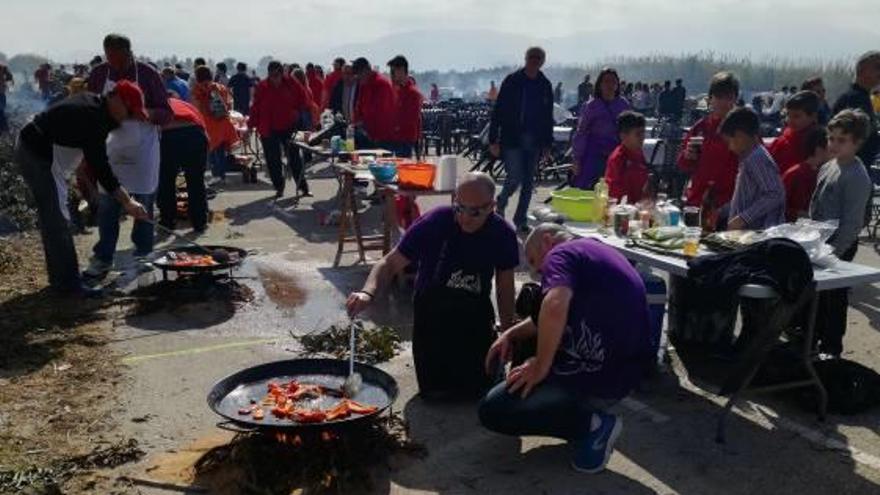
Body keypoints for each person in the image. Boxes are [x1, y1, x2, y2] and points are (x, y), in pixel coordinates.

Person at [479, 223, 652, 474]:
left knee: (493, 411)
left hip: (598, 373)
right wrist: (510, 333)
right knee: (531, 326)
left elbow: (555, 303)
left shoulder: (563, 253)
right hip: (622, 374)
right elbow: (544, 317)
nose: (539, 272)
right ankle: (576, 415)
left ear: (548, 241)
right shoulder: (593, 254)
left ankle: (592, 425)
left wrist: (540, 364)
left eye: (535, 262)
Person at [347, 173, 519, 399]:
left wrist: (507, 332)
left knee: (480, 390)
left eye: (475, 211)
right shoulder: (435, 222)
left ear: (492, 207)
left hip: (474, 312)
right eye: (460, 208)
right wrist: (367, 293)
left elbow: (505, 287)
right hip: (432, 313)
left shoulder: (502, 233)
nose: (465, 218)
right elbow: (389, 263)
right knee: (435, 393)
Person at [16, 85, 150, 296]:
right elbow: (101, 167)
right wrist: (127, 202)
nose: (128, 117)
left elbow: (85, 153)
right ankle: (69, 286)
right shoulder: (93, 117)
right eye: (130, 111)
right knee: (58, 220)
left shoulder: (95, 107)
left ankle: (61, 280)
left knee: (54, 218)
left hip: (43, 156)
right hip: (39, 156)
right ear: (116, 99)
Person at [810, 109, 873, 357]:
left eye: (841, 140)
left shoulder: (857, 176)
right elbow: (817, 202)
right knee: (817, 298)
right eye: (831, 138)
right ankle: (812, 340)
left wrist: (834, 252)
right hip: (819, 241)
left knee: (835, 299)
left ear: (857, 142)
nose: (834, 144)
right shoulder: (829, 166)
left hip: (840, 246)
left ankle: (831, 348)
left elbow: (853, 222)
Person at [84, 81, 163, 280]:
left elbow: (167, 114)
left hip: (143, 165)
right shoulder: (101, 94)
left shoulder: (149, 77)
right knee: (108, 213)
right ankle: (103, 258)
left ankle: (143, 254)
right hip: (112, 168)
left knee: (143, 210)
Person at [489, 47, 555, 233]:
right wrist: (493, 139)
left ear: (542, 61)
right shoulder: (512, 81)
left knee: (528, 182)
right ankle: (501, 201)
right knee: (515, 177)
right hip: (512, 138)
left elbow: (548, 116)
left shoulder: (545, 85)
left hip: (534, 140)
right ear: (525, 58)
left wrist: (547, 144)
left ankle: (520, 219)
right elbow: (498, 111)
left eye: (538, 58)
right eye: (531, 57)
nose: (534, 60)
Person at [677, 72, 741, 226]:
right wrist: (687, 156)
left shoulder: (743, 130)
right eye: (719, 97)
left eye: (729, 97)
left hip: (730, 206)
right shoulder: (700, 128)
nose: (724, 103)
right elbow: (682, 164)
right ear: (710, 99)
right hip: (699, 202)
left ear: (735, 99)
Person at [248, 60, 309, 198]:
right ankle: (279, 187)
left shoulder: (291, 83)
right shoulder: (262, 86)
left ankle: (303, 187)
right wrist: (250, 126)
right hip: (269, 128)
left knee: (295, 158)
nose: (274, 78)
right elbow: (255, 108)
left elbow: (303, 98)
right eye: (271, 75)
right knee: (272, 160)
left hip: (288, 127)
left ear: (282, 74)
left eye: (277, 75)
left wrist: (297, 112)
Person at [87, 34, 172, 128]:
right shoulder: (98, 73)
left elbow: (167, 114)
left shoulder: (149, 74)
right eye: (112, 60)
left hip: (143, 140)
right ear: (106, 54)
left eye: (122, 61)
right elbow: (89, 107)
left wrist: (144, 113)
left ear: (130, 53)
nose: (117, 67)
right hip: (107, 139)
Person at [721, 107, 785, 230]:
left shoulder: (756, 158)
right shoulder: (749, 158)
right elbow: (745, 198)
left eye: (730, 141)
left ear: (740, 135)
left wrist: (743, 218)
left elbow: (775, 194)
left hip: (757, 234)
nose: (729, 147)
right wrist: (722, 211)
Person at [571, 67, 630, 190]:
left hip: (616, 154)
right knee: (590, 189)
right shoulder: (591, 106)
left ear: (617, 85)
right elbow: (581, 132)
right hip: (593, 155)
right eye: (606, 81)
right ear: (600, 84)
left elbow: (629, 132)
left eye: (613, 82)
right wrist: (577, 159)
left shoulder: (623, 105)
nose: (610, 85)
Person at [157, 97, 209, 233]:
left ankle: (167, 221)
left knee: (166, 181)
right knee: (196, 181)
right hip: (194, 134)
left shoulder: (157, 104)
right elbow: (203, 127)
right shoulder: (187, 105)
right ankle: (200, 222)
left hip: (167, 136)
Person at [191, 66, 239, 185]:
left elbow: (195, 106)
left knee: (212, 151)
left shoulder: (198, 89)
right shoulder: (220, 87)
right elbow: (228, 104)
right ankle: (221, 175)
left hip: (208, 124)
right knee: (221, 151)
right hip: (223, 123)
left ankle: (216, 174)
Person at [832, 51, 880, 169]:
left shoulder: (861, 97)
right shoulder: (855, 100)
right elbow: (856, 138)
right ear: (862, 70)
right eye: (878, 67)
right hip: (849, 169)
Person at [782, 127, 828, 222]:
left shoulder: (828, 172)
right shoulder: (795, 174)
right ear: (819, 150)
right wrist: (798, 214)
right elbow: (778, 207)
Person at [768, 90, 820, 174]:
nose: (790, 120)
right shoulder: (782, 141)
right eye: (788, 115)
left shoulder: (819, 143)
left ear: (813, 116)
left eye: (796, 116)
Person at [604, 111, 649, 203]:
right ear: (623, 136)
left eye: (643, 133)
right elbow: (615, 195)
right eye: (638, 134)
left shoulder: (638, 152)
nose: (643, 137)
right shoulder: (617, 159)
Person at [352, 57, 396, 148]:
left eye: (359, 74)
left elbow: (381, 113)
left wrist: (363, 124)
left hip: (381, 137)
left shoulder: (381, 84)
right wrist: (356, 123)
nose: (358, 77)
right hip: (366, 134)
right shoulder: (363, 84)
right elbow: (358, 107)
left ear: (366, 70)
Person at [387, 55, 424, 158]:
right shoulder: (394, 90)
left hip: (404, 140)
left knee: (402, 170)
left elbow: (410, 119)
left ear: (402, 70)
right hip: (391, 138)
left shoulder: (413, 93)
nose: (391, 76)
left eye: (393, 72)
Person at [0, 63, 13, 134]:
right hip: (2, 94)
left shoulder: (2, 68)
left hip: (1, 94)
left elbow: (10, 78)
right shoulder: (3, 68)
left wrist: (10, 89)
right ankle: (4, 128)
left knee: (1, 111)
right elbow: (10, 78)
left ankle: (4, 128)